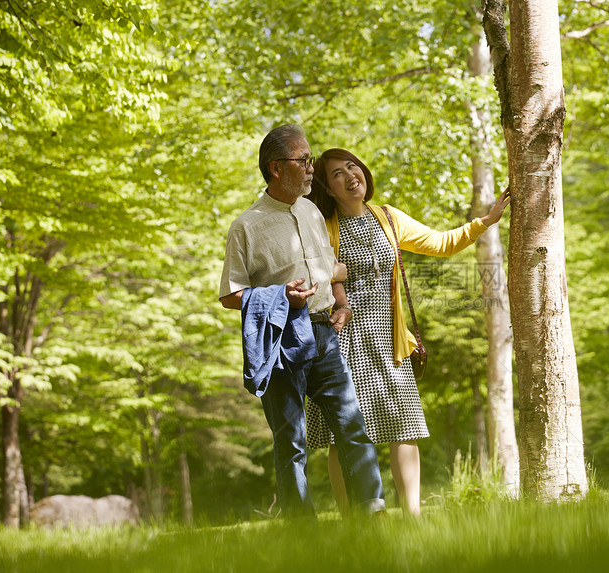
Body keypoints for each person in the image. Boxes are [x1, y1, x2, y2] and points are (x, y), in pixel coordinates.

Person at [305, 148, 509, 515]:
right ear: (329, 188)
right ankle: (352, 518)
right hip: (343, 341)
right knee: (342, 434)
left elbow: (442, 243)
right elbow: (312, 274)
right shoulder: (322, 226)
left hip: (389, 339)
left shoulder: (388, 218)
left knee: (404, 426)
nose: (350, 175)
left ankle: (413, 518)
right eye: (337, 173)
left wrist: (487, 220)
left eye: (352, 166)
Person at [218, 127, 385, 518]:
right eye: (303, 160)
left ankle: (372, 513)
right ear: (276, 168)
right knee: (291, 440)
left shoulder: (311, 210)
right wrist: (279, 296)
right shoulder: (247, 226)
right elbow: (230, 295)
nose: (311, 169)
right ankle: (301, 528)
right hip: (280, 338)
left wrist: (339, 303)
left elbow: (329, 270)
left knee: (351, 426)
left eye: (310, 160)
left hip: (325, 333)